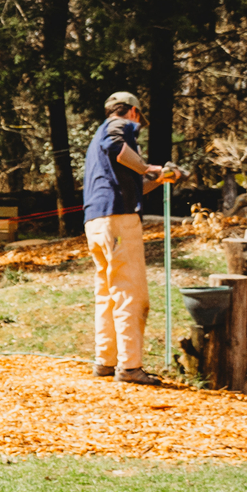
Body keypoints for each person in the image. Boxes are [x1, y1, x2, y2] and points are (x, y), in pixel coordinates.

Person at [82, 92, 179, 384]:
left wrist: (159, 178)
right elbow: (116, 144)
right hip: (119, 221)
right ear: (133, 112)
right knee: (130, 293)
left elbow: (130, 181)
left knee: (107, 294)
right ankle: (130, 367)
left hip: (95, 220)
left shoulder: (94, 141)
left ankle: (105, 361)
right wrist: (149, 167)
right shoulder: (119, 126)